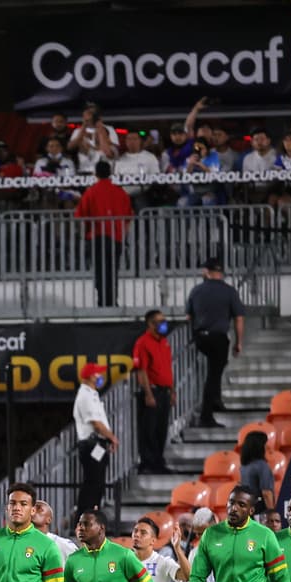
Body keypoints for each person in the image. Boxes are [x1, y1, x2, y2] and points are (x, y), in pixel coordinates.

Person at [186, 257, 246, 428]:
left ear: (207, 272)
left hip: (200, 337)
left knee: (214, 371)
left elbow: (189, 317)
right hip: (218, 338)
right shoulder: (230, 292)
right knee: (214, 373)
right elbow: (239, 318)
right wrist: (239, 342)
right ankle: (206, 415)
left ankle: (216, 401)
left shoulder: (196, 291)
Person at [74, 160, 132, 307]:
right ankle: (113, 301)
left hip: (96, 236)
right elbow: (128, 215)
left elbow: (81, 215)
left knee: (100, 271)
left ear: (96, 173)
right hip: (116, 237)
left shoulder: (91, 191)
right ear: (110, 172)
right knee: (113, 271)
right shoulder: (120, 192)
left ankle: (102, 301)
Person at [73, 363, 119, 520]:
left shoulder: (92, 394)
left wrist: (108, 439)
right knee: (91, 485)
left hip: (97, 445)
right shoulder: (85, 396)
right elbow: (96, 424)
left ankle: (91, 520)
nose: (101, 376)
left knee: (96, 485)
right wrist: (112, 437)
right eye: (99, 373)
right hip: (90, 446)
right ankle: (84, 520)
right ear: (91, 376)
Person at [132, 310, 175, 474]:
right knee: (148, 430)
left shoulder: (164, 342)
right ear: (150, 324)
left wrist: (172, 391)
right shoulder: (143, 343)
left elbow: (167, 369)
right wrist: (148, 394)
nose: (164, 323)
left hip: (164, 391)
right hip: (152, 391)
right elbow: (141, 371)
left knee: (161, 430)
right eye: (160, 321)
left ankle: (158, 462)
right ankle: (147, 464)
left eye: (164, 320)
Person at [239, 431, 275, 515]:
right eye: (266, 443)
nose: (268, 446)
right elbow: (266, 493)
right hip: (260, 511)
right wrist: (272, 513)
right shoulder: (262, 466)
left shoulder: (244, 466)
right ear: (260, 446)